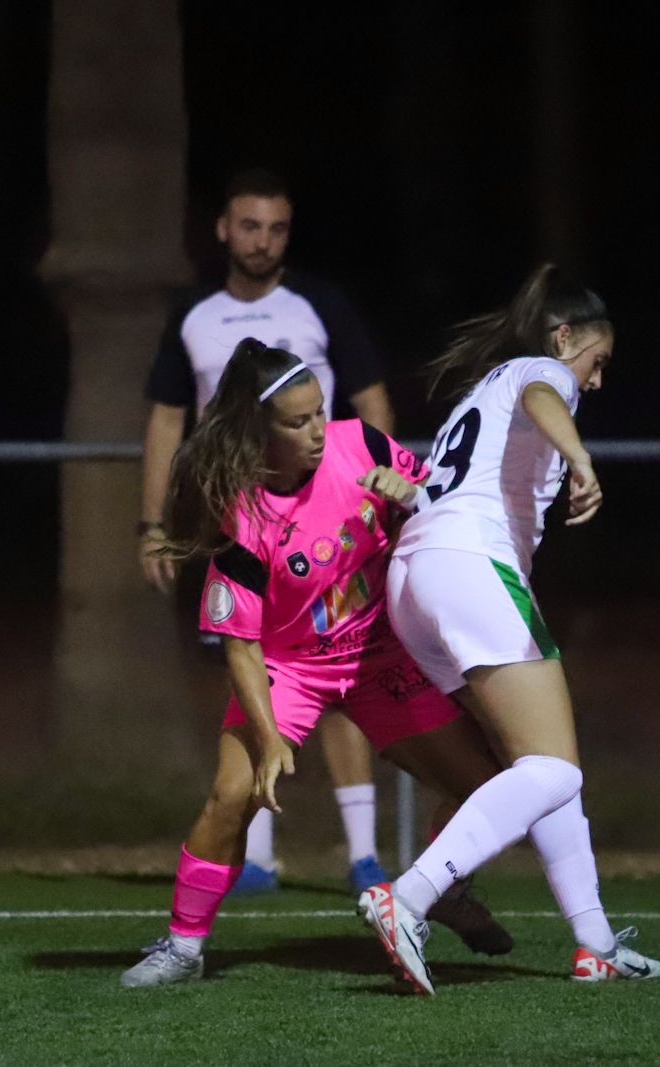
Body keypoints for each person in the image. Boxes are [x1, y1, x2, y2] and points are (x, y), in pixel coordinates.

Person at [122, 339, 515, 988]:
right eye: (297, 422)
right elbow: (241, 644)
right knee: (231, 793)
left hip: (378, 653)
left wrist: (412, 490)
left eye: (318, 413)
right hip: (290, 666)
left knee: (489, 786)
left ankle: (440, 888)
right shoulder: (244, 514)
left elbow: (447, 500)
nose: (315, 432)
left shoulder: (359, 444)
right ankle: (183, 947)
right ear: (257, 431)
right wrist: (271, 738)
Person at [360, 264, 660, 994]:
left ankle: (594, 943)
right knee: (557, 767)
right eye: (596, 362)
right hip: (469, 566)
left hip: (417, 578)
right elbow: (546, 391)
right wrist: (581, 455)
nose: (594, 381)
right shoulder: (537, 369)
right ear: (566, 337)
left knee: (540, 772)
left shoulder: (480, 393)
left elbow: (436, 484)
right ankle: (406, 894)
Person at [138, 168, 395, 896]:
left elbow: (372, 402)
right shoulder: (193, 314)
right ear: (223, 228)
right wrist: (153, 521)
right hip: (241, 529)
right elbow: (165, 418)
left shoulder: (320, 305)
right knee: (252, 675)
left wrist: (367, 493)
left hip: (325, 532)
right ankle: (256, 854)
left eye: (277, 227)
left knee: (336, 678)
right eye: (249, 225)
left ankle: (365, 854)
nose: (263, 240)